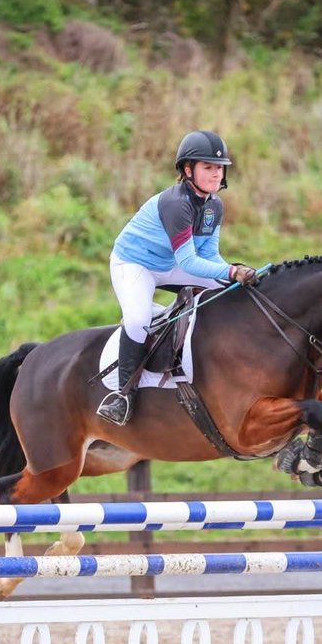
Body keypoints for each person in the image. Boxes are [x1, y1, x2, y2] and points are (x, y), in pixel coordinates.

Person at [97, 130, 258, 426]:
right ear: (188, 170)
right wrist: (233, 270)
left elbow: (210, 256)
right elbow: (189, 261)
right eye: (208, 167)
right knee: (138, 319)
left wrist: (232, 275)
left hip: (170, 262)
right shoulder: (176, 203)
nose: (215, 174)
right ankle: (123, 395)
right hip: (135, 264)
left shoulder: (214, 205)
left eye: (219, 168)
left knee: (231, 288)